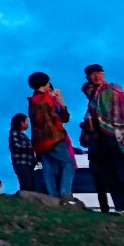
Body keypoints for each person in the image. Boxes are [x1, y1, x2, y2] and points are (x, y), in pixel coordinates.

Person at [80, 64, 124, 215]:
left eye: (99, 73)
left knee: (122, 174)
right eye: (92, 74)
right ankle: (122, 207)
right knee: (110, 176)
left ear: (103, 74)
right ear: (88, 78)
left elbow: (116, 112)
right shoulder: (93, 96)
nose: (96, 76)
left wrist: (97, 120)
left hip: (118, 136)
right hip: (101, 140)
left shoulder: (113, 89)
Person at [28, 73, 78, 203]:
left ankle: (53, 197)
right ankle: (65, 193)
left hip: (40, 140)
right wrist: (60, 103)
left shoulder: (32, 101)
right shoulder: (47, 99)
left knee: (48, 169)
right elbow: (59, 120)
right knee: (68, 163)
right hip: (55, 138)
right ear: (45, 83)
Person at [7, 113, 43, 194]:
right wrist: (30, 147)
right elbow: (16, 147)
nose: (28, 124)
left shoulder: (23, 136)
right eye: (26, 121)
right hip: (22, 164)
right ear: (21, 122)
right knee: (26, 186)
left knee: (31, 186)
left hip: (29, 164)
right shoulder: (14, 134)